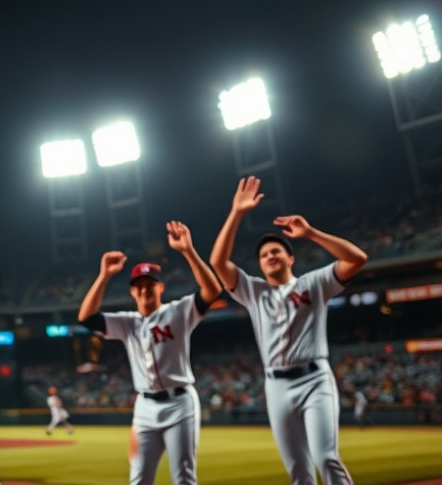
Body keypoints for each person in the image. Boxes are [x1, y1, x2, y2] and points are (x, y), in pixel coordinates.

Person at [209, 176, 368, 485]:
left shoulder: (314, 283)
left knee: (326, 457)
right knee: (298, 470)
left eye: (276, 251)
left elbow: (357, 258)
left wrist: (310, 233)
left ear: (290, 258)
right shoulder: (253, 291)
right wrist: (237, 213)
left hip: (314, 380)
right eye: (264, 254)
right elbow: (218, 261)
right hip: (276, 386)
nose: (269, 255)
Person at [78, 221, 222, 485]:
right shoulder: (128, 322)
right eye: (139, 285)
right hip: (144, 407)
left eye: (150, 283)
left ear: (161, 288)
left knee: (184, 479)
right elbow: (86, 317)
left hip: (180, 403)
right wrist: (104, 276)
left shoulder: (178, 312)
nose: (144, 289)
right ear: (132, 290)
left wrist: (188, 251)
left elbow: (212, 291)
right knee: (139, 479)